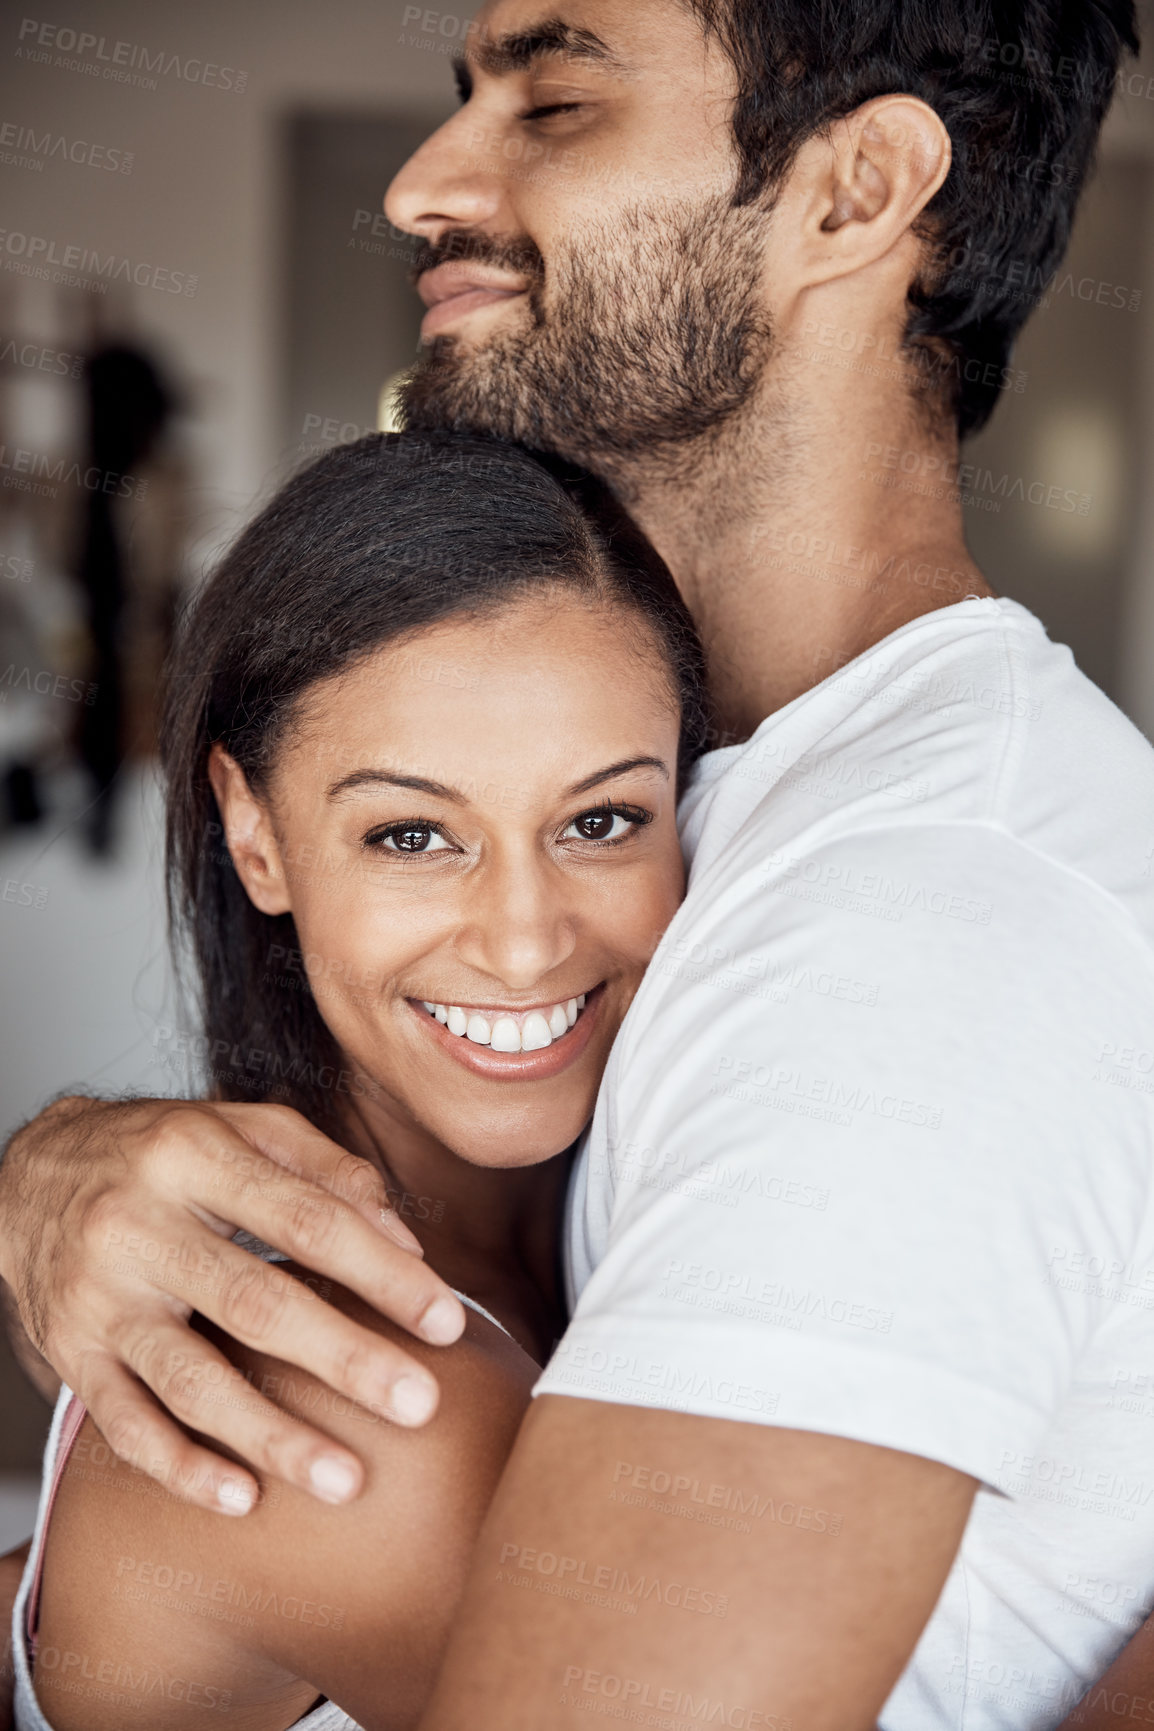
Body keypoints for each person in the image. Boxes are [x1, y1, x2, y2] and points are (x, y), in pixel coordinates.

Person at [1, 1, 1152, 1726]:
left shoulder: (925, 898)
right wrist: (51, 1165)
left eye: (550, 102)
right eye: (410, 831)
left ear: (855, 191)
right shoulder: (763, 785)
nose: (418, 188)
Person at [11, 426, 707, 1730]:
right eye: (410, 834)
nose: (521, 939)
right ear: (255, 836)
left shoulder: (626, 1252)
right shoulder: (362, 1408)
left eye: (601, 820)